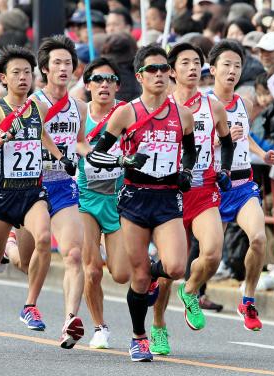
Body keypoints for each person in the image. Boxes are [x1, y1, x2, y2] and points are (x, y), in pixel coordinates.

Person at [87, 44, 196, 362]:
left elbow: (189, 150)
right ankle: (138, 336)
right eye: (152, 70)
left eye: (164, 69)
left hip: (166, 198)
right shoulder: (127, 113)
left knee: (176, 267)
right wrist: (124, 159)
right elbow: (96, 154)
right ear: (140, 76)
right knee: (137, 276)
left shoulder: (182, 114)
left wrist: (185, 171)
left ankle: (148, 273)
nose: (160, 74)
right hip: (135, 198)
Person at [0, 45, 75, 333]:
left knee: (44, 239)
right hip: (5, 193)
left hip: (32, 191)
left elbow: (43, 137)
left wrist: (61, 158)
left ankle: (30, 305)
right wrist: (1, 139)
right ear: (3, 78)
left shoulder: (37, 107)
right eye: (16, 72)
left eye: (27, 72)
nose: (23, 78)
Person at [149, 43, 232, 355]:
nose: (193, 68)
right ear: (172, 71)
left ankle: (192, 289)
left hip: (203, 189)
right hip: (168, 194)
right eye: (185, 63)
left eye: (197, 63)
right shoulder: (159, 106)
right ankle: (157, 327)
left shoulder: (214, 106)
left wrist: (222, 169)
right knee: (171, 268)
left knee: (211, 253)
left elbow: (225, 141)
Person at [4, 35, 87, 349]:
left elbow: (79, 142)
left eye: (68, 63)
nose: (64, 68)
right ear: (44, 69)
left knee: (74, 254)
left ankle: (69, 321)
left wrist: (95, 156)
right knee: (26, 261)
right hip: (31, 185)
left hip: (64, 186)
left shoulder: (79, 105)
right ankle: (9, 246)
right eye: (57, 63)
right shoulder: (33, 103)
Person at [208, 40, 274, 331]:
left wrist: (262, 153)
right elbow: (189, 145)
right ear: (213, 69)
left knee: (259, 239)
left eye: (237, 66)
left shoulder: (244, 103)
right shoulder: (200, 105)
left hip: (242, 182)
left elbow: (244, 135)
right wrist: (219, 139)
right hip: (213, 186)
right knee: (210, 258)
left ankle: (247, 299)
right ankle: (191, 291)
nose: (232, 71)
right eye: (226, 64)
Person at [78, 57, 130, 349]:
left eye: (110, 80)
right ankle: (99, 327)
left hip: (118, 200)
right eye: (97, 79)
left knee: (121, 274)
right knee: (92, 269)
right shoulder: (79, 115)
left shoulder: (126, 115)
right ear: (88, 85)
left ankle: (143, 264)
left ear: (117, 86)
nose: (104, 85)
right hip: (85, 199)